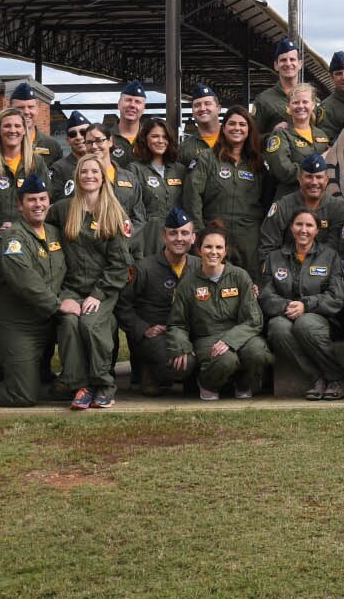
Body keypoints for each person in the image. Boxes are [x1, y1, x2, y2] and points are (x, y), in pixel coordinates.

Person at [0, 174, 68, 408]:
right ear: (20, 205)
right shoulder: (13, 238)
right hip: (18, 325)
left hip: (46, 322)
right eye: (31, 200)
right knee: (23, 395)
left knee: (43, 385)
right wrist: (59, 305)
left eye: (42, 199)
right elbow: (25, 281)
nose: (38, 204)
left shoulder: (54, 233)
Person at [50, 153, 134, 409]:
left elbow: (120, 263)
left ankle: (104, 384)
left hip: (103, 288)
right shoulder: (63, 209)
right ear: (77, 176)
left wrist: (98, 294)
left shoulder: (113, 212)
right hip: (72, 287)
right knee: (68, 321)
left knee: (90, 323)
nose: (89, 176)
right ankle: (80, 385)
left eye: (95, 172)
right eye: (84, 171)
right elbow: (40, 231)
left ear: (103, 177)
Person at [167, 222, 272, 400]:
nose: (213, 252)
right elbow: (177, 322)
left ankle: (243, 384)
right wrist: (181, 346)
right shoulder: (188, 283)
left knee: (258, 352)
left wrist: (230, 340)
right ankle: (208, 384)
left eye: (219, 247)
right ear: (199, 250)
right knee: (226, 359)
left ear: (225, 251)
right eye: (208, 246)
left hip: (240, 335)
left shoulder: (239, 276)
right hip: (207, 338)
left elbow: (253, 319)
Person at [258, 205, 344, 399]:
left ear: (317, 230)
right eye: (299, 224)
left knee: (304, 324)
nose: (303, 230)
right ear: (291, 227)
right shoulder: (274, 258)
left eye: (309, 225)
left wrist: (306, 305)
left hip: (320, 319)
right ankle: (317, 378)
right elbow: (265, 295)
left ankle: (335, 377)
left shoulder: (330, 256)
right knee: (277, 328)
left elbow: (337, 297)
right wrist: (285, 306)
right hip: (285, 314)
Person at [116, 207, 201, 396]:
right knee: (183, 365)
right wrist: (142, 328)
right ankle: (148, 370)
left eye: (185, 233)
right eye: (173, 233)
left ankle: (180, 377)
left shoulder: (200, 266)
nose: (179, 238)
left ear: (193, 238)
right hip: (154, 335)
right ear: (164, 237)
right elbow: (122, 305)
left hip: (186, 332)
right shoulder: (144, 268)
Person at [183, 106, 268, 276]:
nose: (237, 128)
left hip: (249, 237)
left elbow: (267, 198)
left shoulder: (257, 162)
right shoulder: (207, 158)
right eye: (232, 124)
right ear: (224, 128)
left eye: (243, 124)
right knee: (212, 280)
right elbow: (192, 196)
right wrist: (200, 232)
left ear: (249, 130)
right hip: (215, 233)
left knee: (250, 282)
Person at [259, 152, 344, 255]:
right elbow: (268, 248)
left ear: (326, 180)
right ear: (299, 179)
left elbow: (336, 249)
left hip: (324, 267)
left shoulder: (337, 208)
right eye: (309, 177)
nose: (314, 182)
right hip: (287, 266)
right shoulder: (283, 206)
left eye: (319, 177)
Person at [128, 118, 188, 259]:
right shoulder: (134, 169)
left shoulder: (179, 169)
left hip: (178, 236)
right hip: (148, 238)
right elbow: (131, 210)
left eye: (165, 137)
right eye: (155, 136)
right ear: (145, 139)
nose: (160, 141)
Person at [262, 84, 333, 187]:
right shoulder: (281, 134)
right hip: (291, 198)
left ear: (313, 105)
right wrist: (318, 161)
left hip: (320, 198)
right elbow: (285, 173)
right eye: (295, 102)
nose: (300, 106)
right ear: (288, 106)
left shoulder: (321, 135)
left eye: (305, 102)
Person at [7, 81, 66, 170]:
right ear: (10, 110)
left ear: (37, 110)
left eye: (31, 107)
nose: (26, 112)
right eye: (20, 108)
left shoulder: (52, 146)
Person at [251, 38, 305, 134]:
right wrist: (273, 134)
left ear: (300, 64)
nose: (288, 64)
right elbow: (253, 139)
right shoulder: (263, 100)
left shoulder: (312, 99)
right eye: (283, 60)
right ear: (276, 65)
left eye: (292, 59)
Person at [179, 83, 225, 174]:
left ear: (219, 109)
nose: (202, 108)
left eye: (207, 104)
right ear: (192, 112)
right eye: (197, 105)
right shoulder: (184, 148)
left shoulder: (234, 140)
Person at [109, 79, 151, 167]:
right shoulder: (105, 137)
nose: (132, 105)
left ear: (144, 108)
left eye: (137, 102)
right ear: (119, 104)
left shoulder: (150, 138)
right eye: (128, 100)